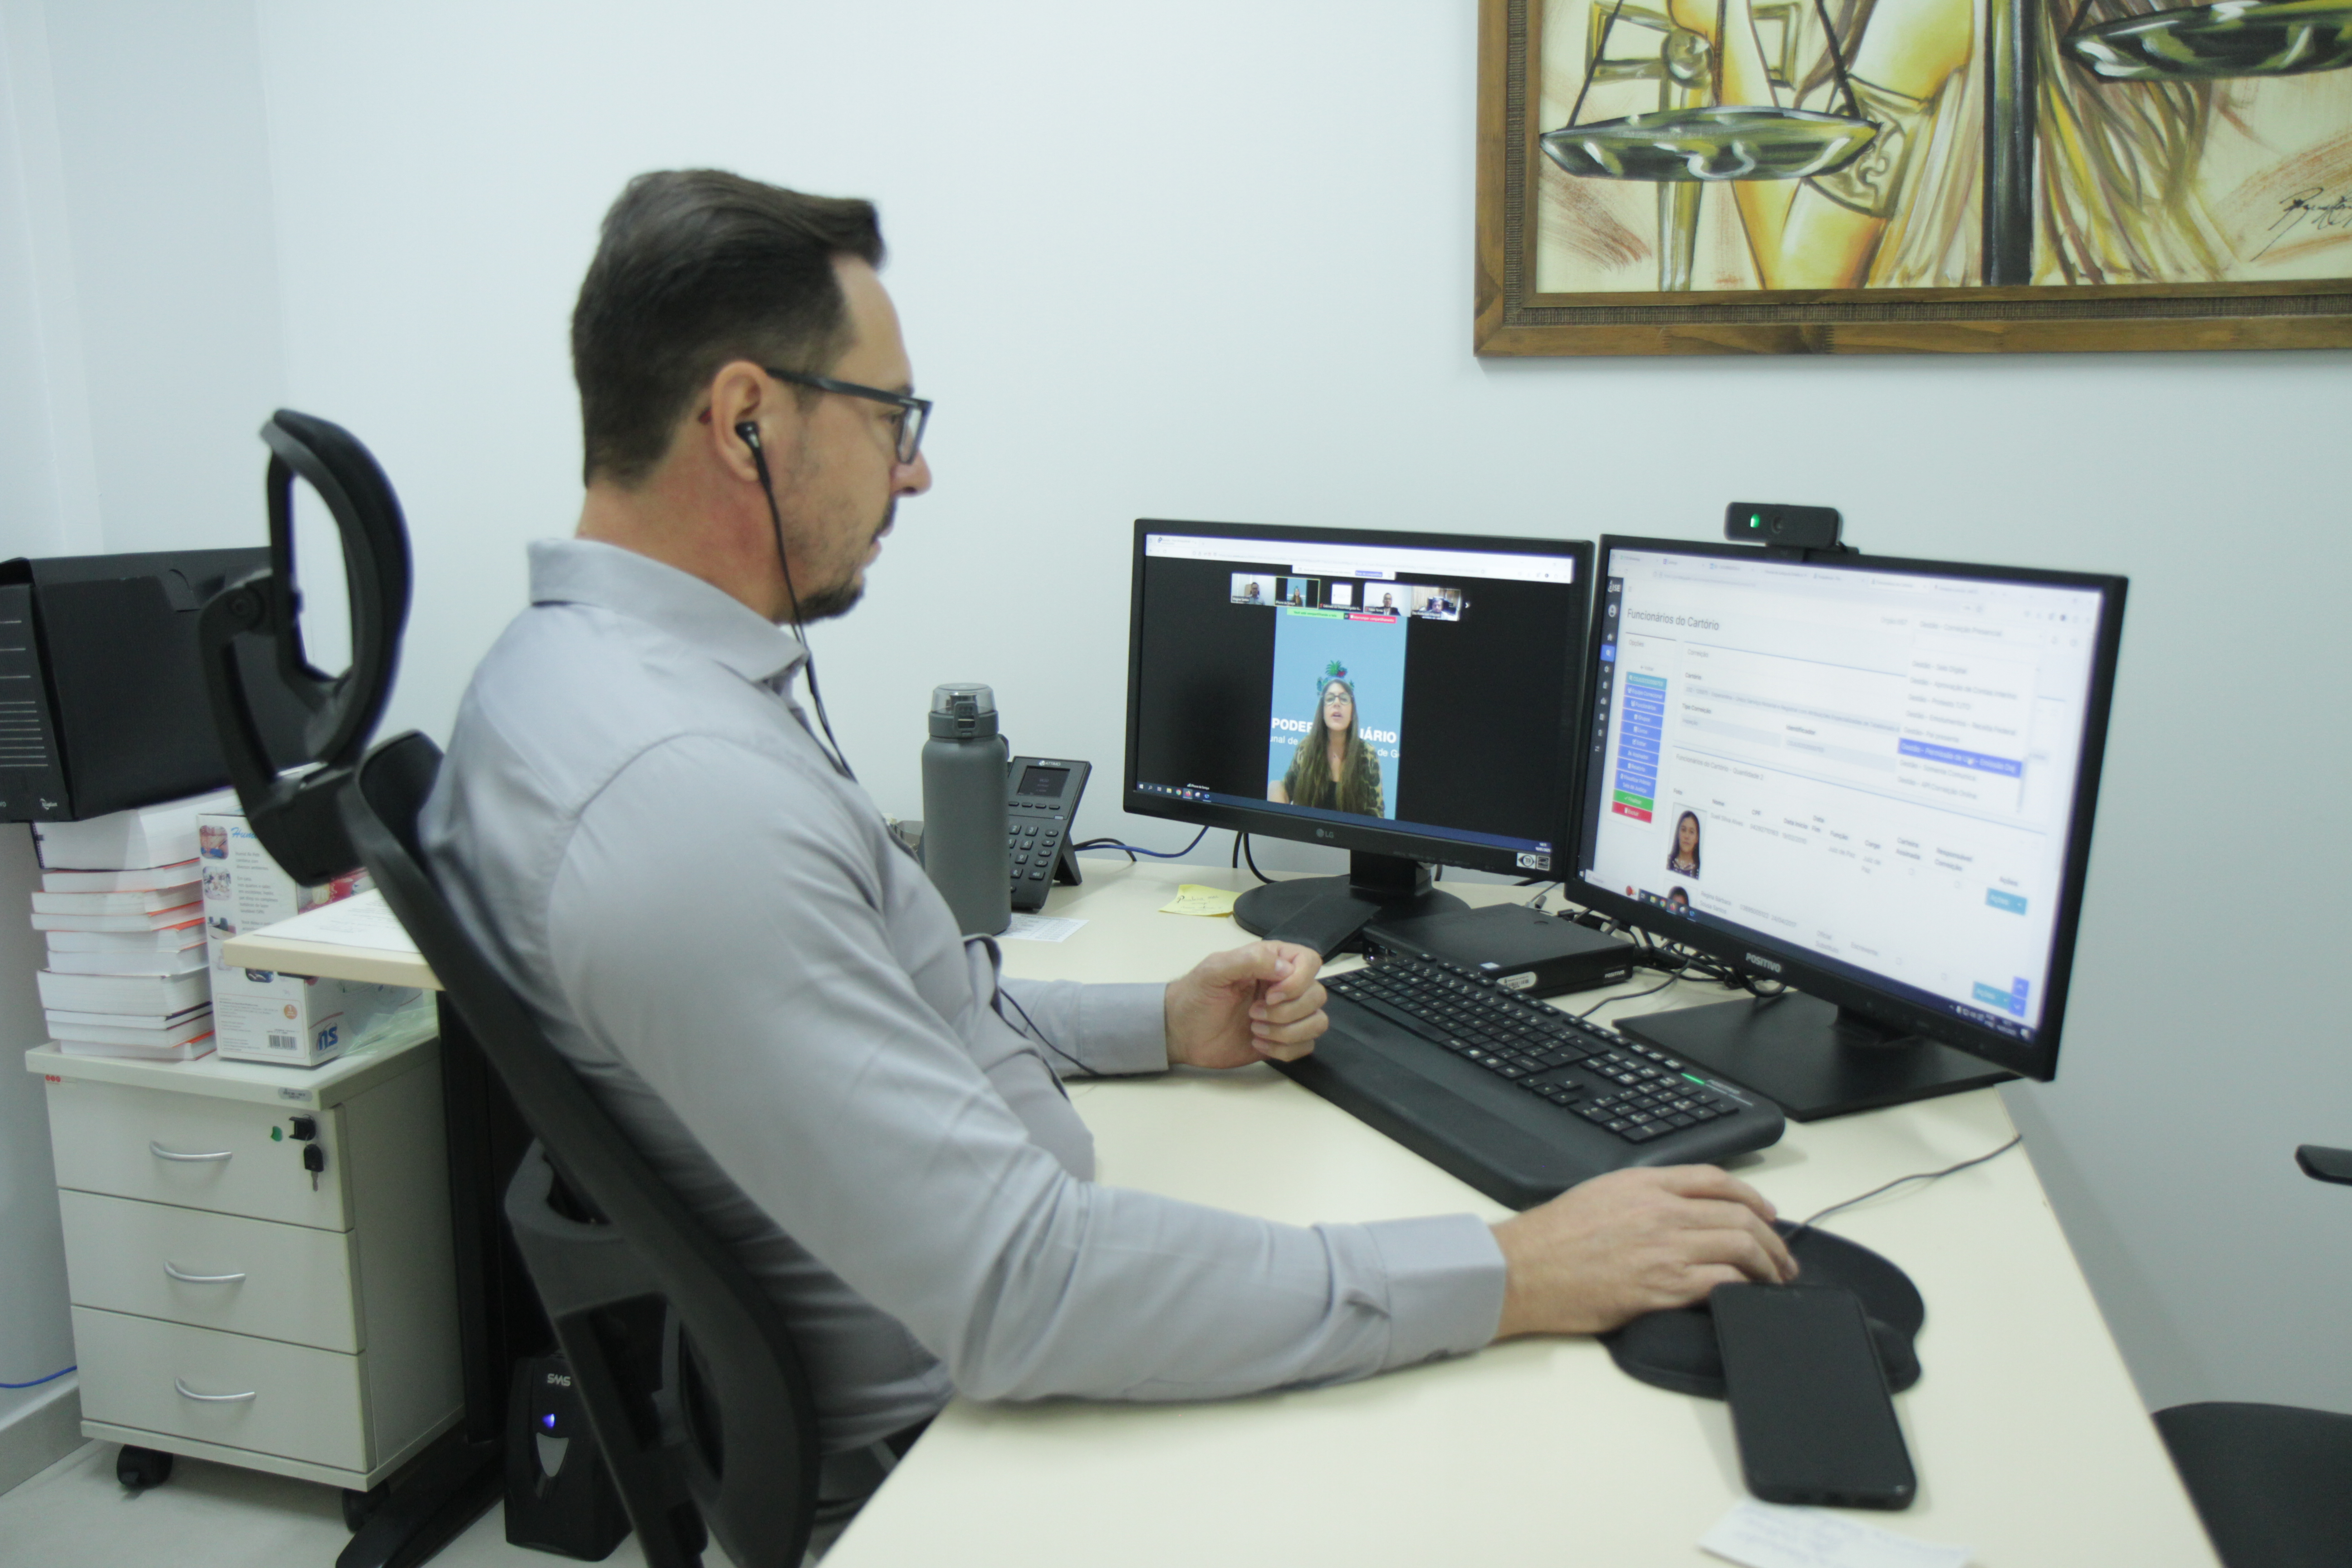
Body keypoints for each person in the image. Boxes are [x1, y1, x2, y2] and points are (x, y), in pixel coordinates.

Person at [424, 168, 1793, 1494]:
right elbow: (1029, 1291)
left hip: (982, 1339)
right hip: (965, 1446)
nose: (918, 472)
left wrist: (1158, 1023)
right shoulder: (683, 800)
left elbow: (876, 1010)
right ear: (744, 423)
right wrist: (1514, 1268)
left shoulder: (558, 681)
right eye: (893, 417)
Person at [1269, 665, 1386, 817]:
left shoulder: (1368, 753)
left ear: (1352, 713)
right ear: (1322, 712)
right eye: (1330, 699)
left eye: (1344, 699)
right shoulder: (1306, 747)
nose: (1337, 704)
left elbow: (1376, 814)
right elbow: (1285, 787)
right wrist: (1275, 788)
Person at [1668, 811, 1703, 877]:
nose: (1687, 836)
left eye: (1692, 832)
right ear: (1678, 834)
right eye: (1684, 830)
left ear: (1697, 838)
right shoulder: (1666, 862)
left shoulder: (1702, 870)